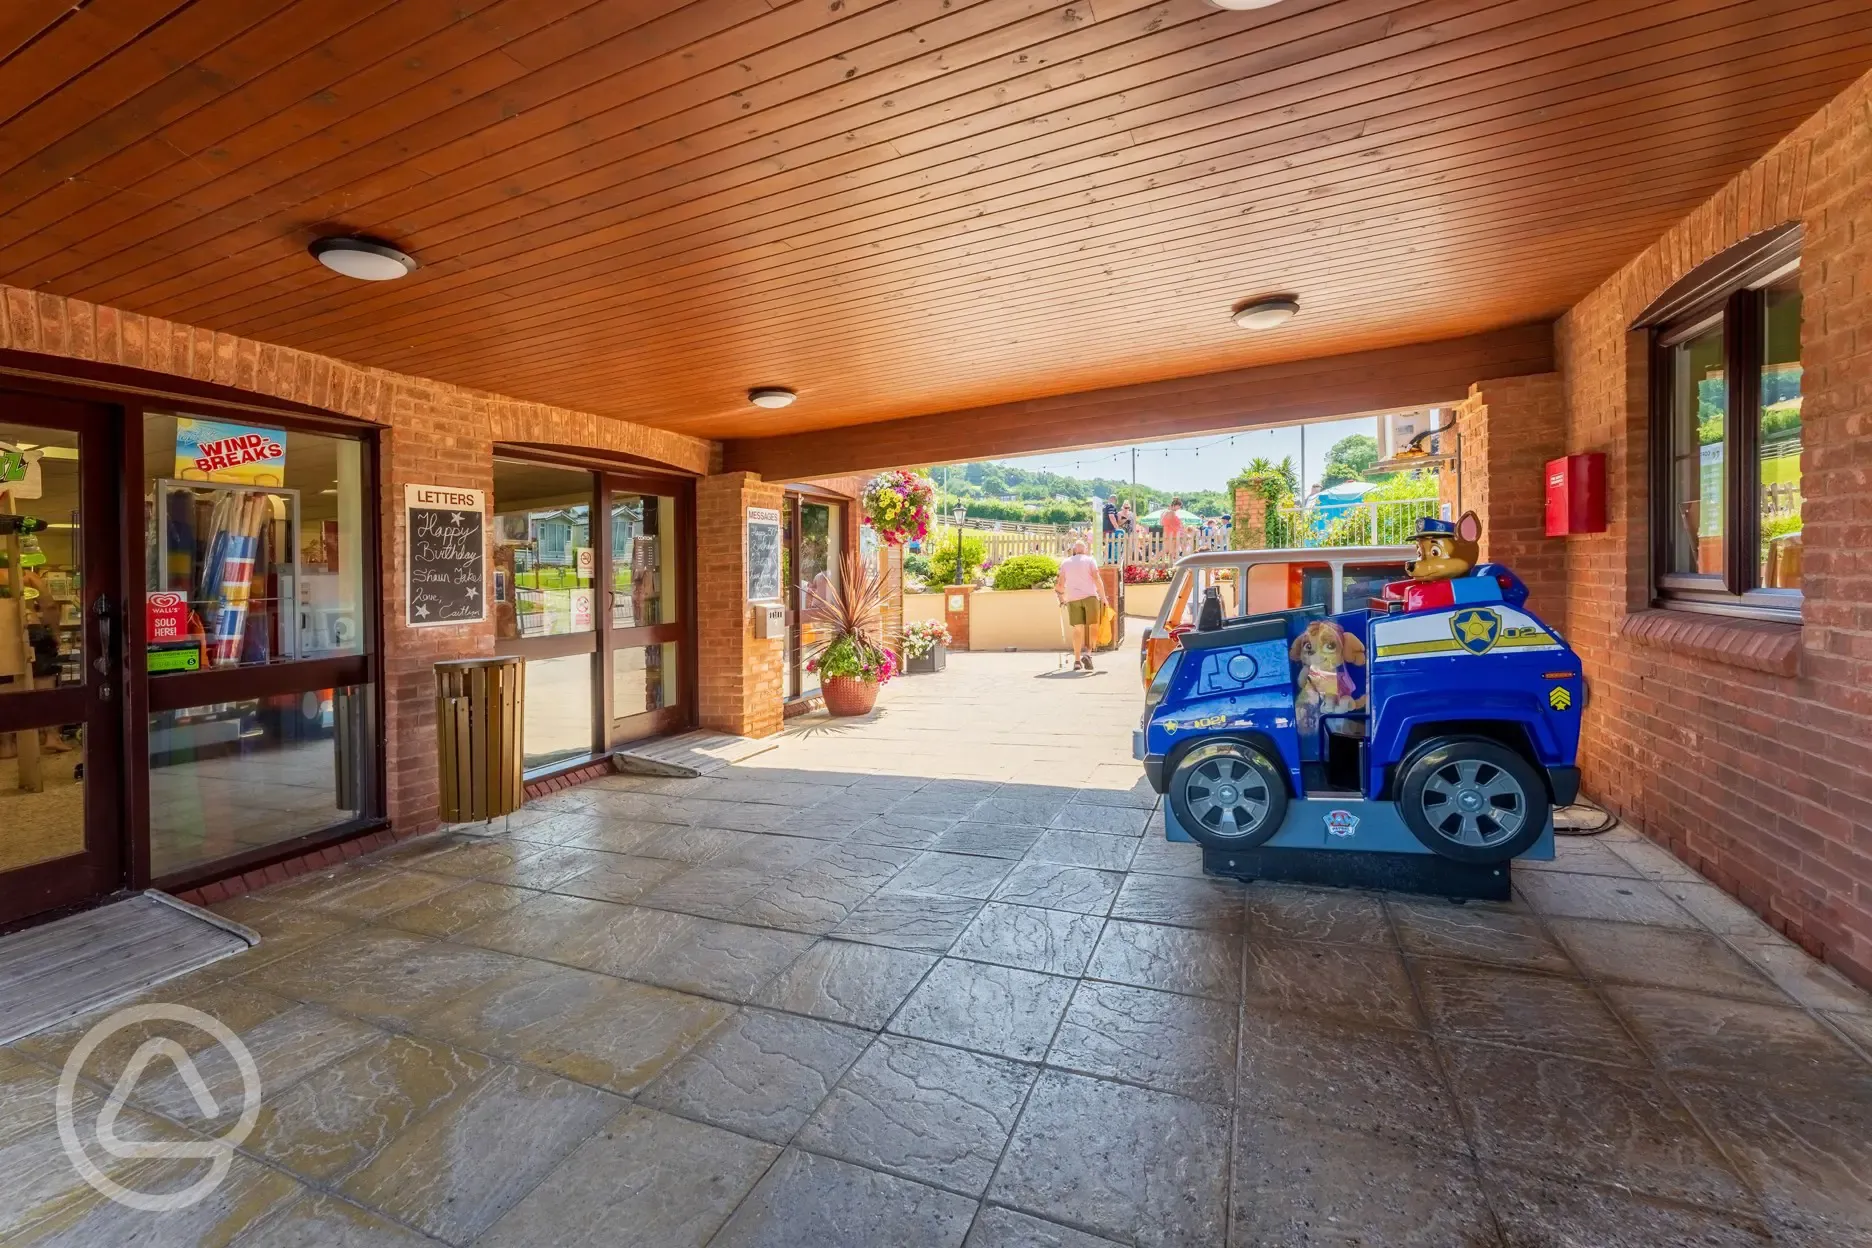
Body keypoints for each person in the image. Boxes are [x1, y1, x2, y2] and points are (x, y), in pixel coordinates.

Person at [1055, 539, 1110, 671]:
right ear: (1085, 549)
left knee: (1077, 629)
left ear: (1074, 550)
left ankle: (1077, 660)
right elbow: (1097, 578)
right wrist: (1103, 597)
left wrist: (1061, 597)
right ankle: (1089, 653)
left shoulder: (1065, 563)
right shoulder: (1090, 560)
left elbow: (1060, 583)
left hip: (1073, 599)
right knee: (1093, 626)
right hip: (1090, 597)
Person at [1100, 497, 1121, 563]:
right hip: (1110, 528)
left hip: (1104, 528)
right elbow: (1111, 516)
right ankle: (1110, 559)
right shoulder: (1111, 506)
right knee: (1111, 543)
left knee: (1107, 543)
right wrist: (1116, 527)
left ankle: (1106, 558)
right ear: (1114, 500)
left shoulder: (1105, 506)